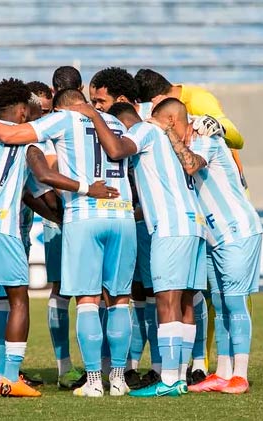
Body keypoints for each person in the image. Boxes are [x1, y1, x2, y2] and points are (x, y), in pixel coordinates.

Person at [0, 78, 118, 398]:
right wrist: (76, 204)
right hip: (3, 227)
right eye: (32, 113)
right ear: (22, 111)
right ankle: (9, 376)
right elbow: (45, 187)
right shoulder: (29, 144)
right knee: (18, 299)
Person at [0, 88, 137, 397]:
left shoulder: (64, 119)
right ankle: (118, 378)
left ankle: (93, 382)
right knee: (119, 300)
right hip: (122, 214)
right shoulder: (115, 124)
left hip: (83, 214)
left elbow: (11, 136)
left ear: (64, 107)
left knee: (88, 300)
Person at [71, 100, 207, 398]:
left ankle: (169, 380)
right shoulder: (173, 141)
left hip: (170, 229)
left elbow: (117, 150)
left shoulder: (145, 130)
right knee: (185, 303)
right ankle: (180, 376)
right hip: (194, 225)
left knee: (166, 302)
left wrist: (94, 116)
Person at [135, 68, 249, 376]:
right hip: (200, 217)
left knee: (221, 299)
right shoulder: (176, 116)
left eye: (153, 108)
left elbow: (237, 137)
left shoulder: (198, 102)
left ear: (161, 101)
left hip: (226, 216)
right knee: (207, 294)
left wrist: (216, 127)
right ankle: (214, 369)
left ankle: (220, 368)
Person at [152, 98, 262, 394]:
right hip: (213, 237)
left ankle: (240, 375)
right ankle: (223, 372)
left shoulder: (203, 137)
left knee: (235, 302)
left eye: (162, 126)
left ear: (171, 122)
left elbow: (191, 165)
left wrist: (168, 132)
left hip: (236, 231)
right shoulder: (191, 139)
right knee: (221, 305)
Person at [88, 66, 159, 389]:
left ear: (120, 100)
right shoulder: (103, 126)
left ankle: (166, 366)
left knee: (160, 295)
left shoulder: (143, 124)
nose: (96, 107)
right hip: (125, 219)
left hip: (151, 223)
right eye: (92, 102)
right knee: (126, 295)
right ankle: (125, 367)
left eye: (99, 101)